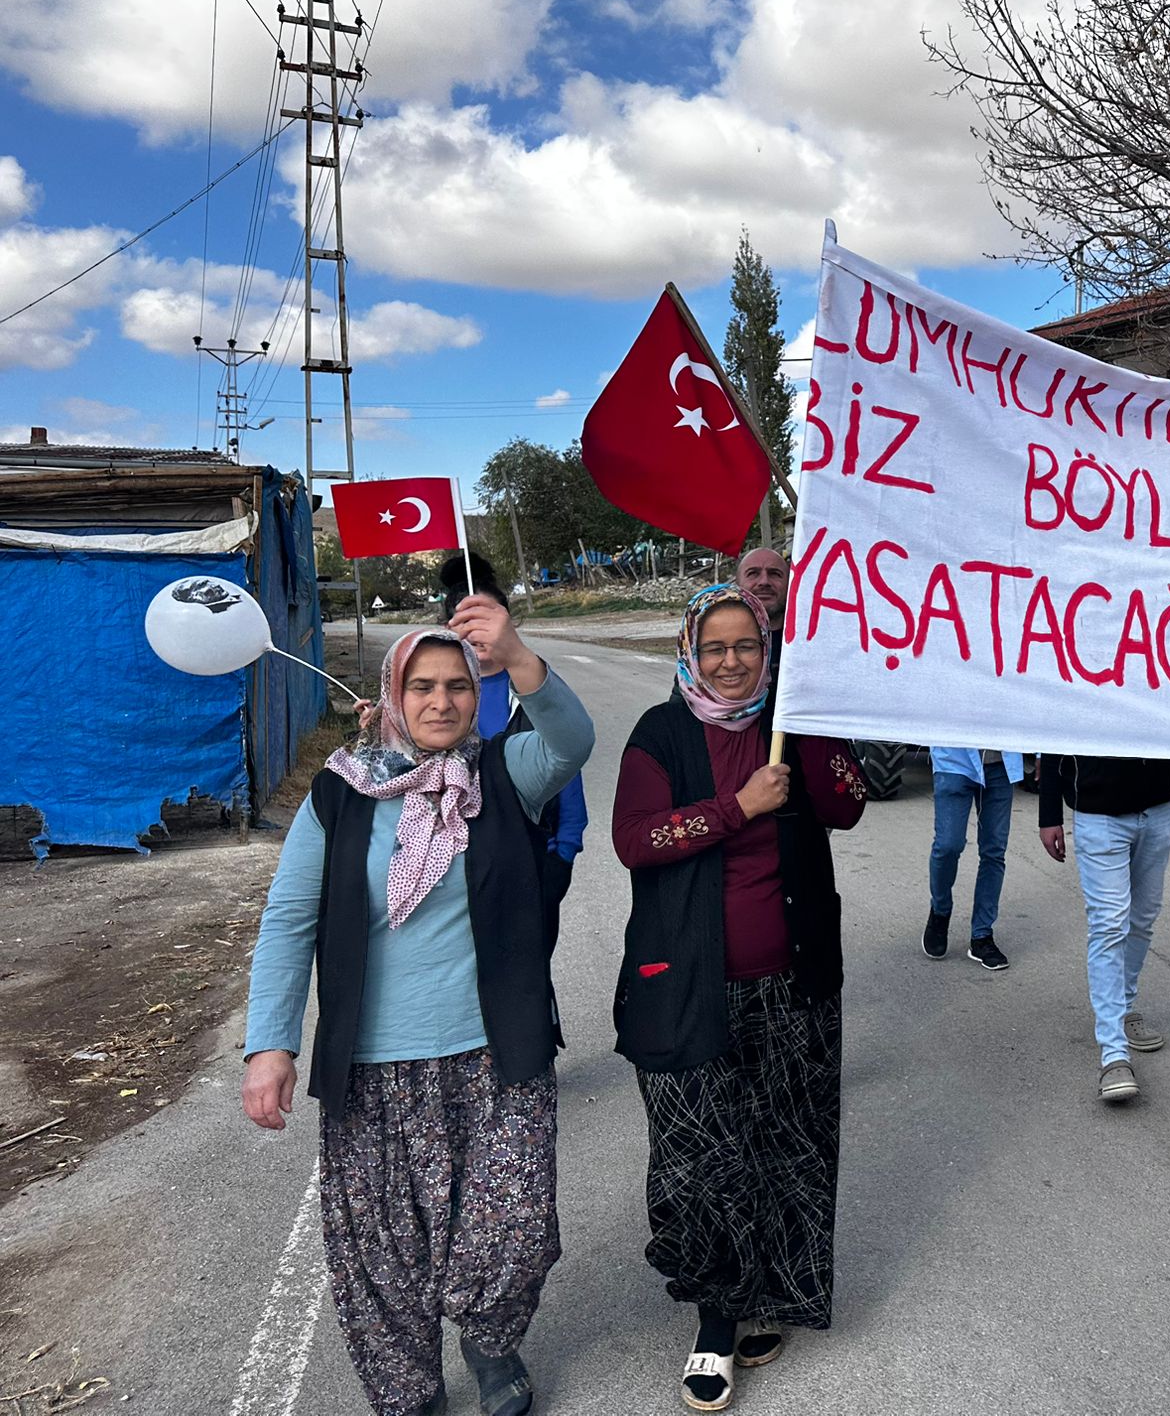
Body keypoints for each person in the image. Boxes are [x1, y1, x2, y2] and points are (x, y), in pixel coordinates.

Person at [241, 598, 595, 1416]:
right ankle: (409, 1392)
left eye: (460, 686)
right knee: (383, 1257)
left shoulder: (507, 774)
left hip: (495, 1053)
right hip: (372, 1069)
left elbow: (572, 738)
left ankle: (491, 1338)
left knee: (512, 1231)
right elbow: (290, 920)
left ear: (480, 693)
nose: (442, 702)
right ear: (394, 697)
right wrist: (271, 1044)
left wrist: (518, 652)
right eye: (423, 687)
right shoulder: (341, 795)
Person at [610, 584, 867, 1413]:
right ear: (690, 650)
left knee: (789, 1142)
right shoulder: (660, 734)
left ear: (768, 650)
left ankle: (776, 1293)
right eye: (714, 647)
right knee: (701, 1160)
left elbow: (849, 807)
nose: (729, 662)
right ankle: (716, 1322)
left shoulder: (788, 721)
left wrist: (816, 719)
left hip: (793, 982)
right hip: (687, 988)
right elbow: (636, 841)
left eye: (746, 647)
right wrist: (737, 807)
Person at [439, 553, 587, 922]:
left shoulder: (536, 688)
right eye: (467, 619)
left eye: (489, 619)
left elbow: (568, 768)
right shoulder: (431, 700)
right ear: (448, 627)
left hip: (534, 863)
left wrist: (562, 853)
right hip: (451, 873)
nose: (479, 631)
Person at [1037, 746, 1170, 1101]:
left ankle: (1124, 1005)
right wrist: (1049, 813)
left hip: (1160, 804)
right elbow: (1055, 729)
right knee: (1109, 925)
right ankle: (1113, 1052)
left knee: (1143, 917)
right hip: (1098, 809)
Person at [924, 748, 1022, 968]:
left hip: (1000, 765)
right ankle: (940, 910)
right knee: (948, 845)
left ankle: (982, 935)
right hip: (954, 760)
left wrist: (1039, 754)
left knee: (994, 851)